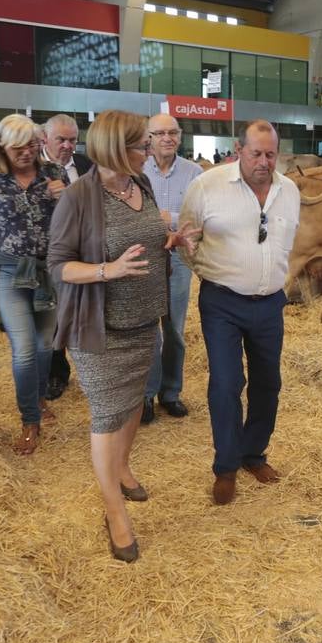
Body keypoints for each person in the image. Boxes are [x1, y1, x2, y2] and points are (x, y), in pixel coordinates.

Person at [48, 110, 196, 561]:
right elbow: (57, 265)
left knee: (133, 403)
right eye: (141, 145)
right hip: (101, 329)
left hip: (144, 322)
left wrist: (169, 240)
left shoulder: (140, 186)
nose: (149, 151)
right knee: (108, 416)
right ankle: (114, 510)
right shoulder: (78, 197)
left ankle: (124, 468)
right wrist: (106, 270)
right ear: (116, 147)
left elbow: (148, 233)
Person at [179, 119, 301, 507]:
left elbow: (286, 243)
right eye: (256, 153)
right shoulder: (207, 186)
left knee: (269, 383)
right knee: (226, 383)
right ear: (238, 149)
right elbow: (185, 236)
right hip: (223, 303)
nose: (264, 162)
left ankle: (253, 454)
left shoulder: (290, 191)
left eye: (270, 154)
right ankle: (226, 466)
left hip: (269, 303)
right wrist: (204, 272)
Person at [0, 115, 66, 455]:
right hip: (8, 273)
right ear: (2, 146)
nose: (27, 153)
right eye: (19, 146)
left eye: (33, 145)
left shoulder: (54, 176)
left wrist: (64, 199)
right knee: (23, 350)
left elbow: (72, 226)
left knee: (45, 345)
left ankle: (37, 399)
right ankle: (30, 420)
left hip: (48, 274)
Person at [142, 113, 204, 424]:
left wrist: (169, 218)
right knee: (149, 329)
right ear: (148, 138)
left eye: (173, 132)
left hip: (179, 258)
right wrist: (161, 220)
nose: (168, 138)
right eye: (160, 133)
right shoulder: (136, 172)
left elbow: (201, 217)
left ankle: (171, 393)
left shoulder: (195, 173)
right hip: (146, 257)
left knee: (175, 330)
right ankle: (146, 395)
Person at [41, 114, 93, 400]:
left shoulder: (85, 166)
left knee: (81, 313)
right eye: (61, 139)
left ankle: (89, 371)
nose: (67, 145)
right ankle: (56, 373)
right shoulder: (33, 169)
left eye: (72, 140)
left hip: (84, 252)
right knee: (54, 318)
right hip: (47, 257)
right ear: (45, 139)